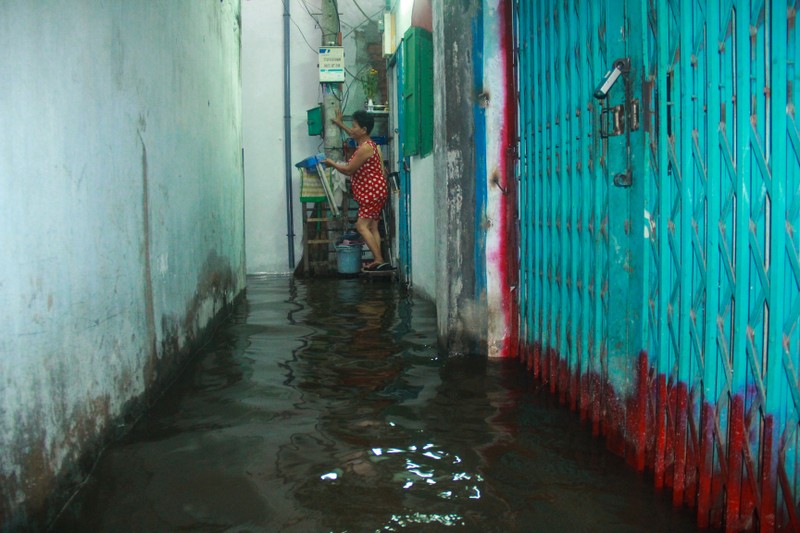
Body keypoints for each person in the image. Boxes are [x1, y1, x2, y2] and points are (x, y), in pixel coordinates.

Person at [323, 109, 394, 271]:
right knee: (373, 227)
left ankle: (378, 259)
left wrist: (331, 163)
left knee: (361, 226)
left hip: (372, 192)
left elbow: (348, 170)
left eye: (355, 126)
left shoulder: (365, 148)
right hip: (377, 190)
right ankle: (379, 261)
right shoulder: (366, 143)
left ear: (364, 130)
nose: (352, 129)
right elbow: (352, 133)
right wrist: (340, 123)